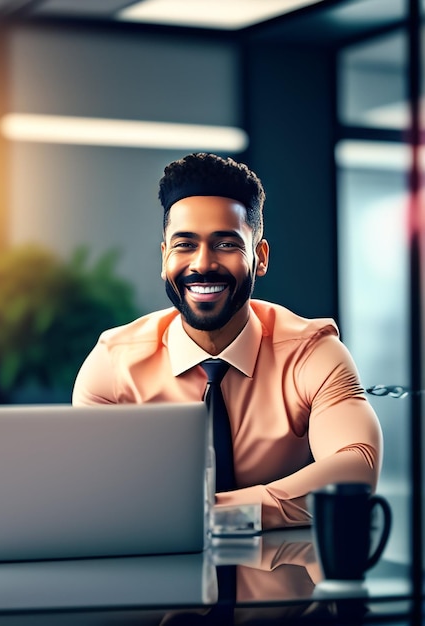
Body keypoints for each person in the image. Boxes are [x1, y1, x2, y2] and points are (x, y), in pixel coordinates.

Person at [72, 152, 383, 530]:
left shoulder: (312, 353)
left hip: (285, 579)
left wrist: (211, 515)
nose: (202, 264)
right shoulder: (113, 364)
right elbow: (94, 497)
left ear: (260, 257)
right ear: (164, 256)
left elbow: (356, 467)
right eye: (185, 244)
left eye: (225, 244)